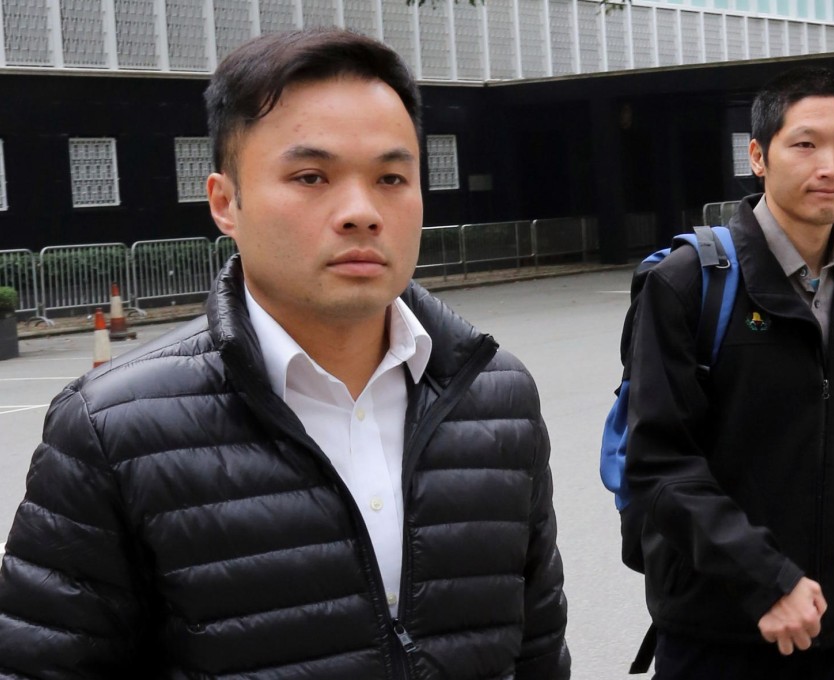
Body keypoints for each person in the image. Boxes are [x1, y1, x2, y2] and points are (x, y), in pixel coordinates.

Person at [0, 28, 569, 679]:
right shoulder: (111, 430)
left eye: (391, 176)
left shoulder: (497, 399)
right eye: (311, 176)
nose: (361, 211)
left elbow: (537, 650)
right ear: (224, 202)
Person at [625, 67, 834, 679]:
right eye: (804, 144)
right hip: (722, 629)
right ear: (758, 155)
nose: (830, 165)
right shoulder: (686, 283)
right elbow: (658, 465)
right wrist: (769, 579)